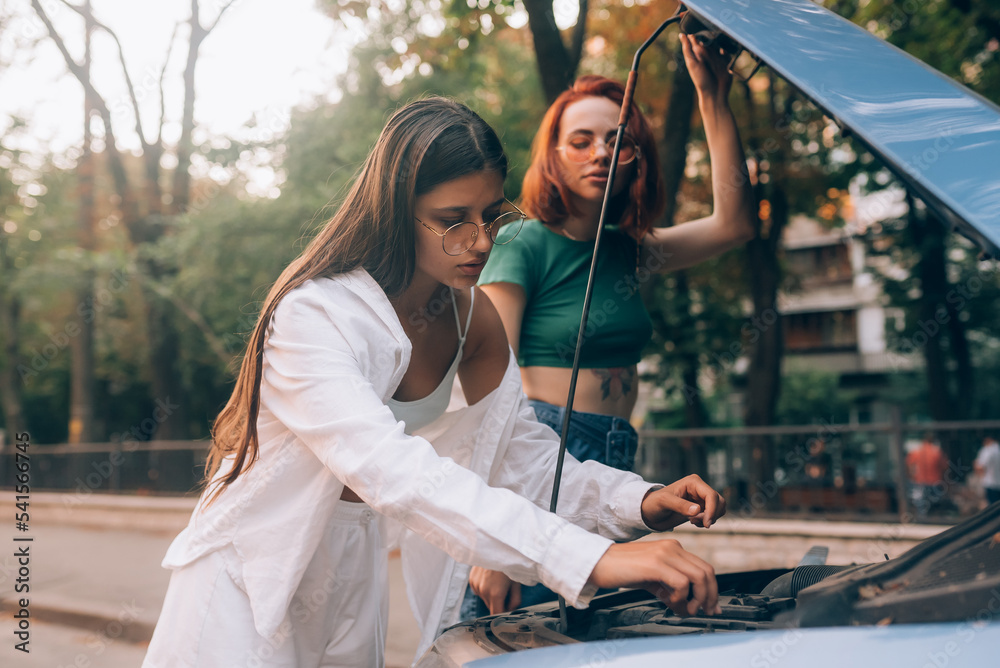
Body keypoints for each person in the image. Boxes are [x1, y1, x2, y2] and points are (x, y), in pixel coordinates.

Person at [141, 98, 727, 668]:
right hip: (248, 577)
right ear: (397, 210)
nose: (480, 241)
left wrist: (638, 502)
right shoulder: (315, 314)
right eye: (452, 221)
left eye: (492, 214)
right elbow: (391, 469)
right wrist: (591, 559)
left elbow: (521, 456)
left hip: (352, 575)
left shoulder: (474, 317)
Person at [467, 34, 753, 617]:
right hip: (542, 448)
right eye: (581, 140)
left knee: (583, 631)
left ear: (637, 161)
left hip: (614, 456)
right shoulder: (524, 241)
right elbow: (486, 386)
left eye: (618, 141)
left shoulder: (629, 251)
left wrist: (712, 97)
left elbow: (734, 225)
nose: (601, 151)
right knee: (521, 634)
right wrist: (497, 535)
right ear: (555, 155)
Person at [906, 432, 949, 519]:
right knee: (934, 505)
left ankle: (922, 520)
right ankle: (933, 519)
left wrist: (912, 476)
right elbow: (945, 466)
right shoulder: (936, 451)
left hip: (920, 481)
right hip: (934, 481)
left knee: (921, 506)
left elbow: (909, 465)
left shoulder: (917, 451)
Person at [975, 435, 1000, 505]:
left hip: (990, 483)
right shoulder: (998, 449)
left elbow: (980, 467)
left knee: (992, 509)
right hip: (998, 483)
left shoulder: (987, 450)